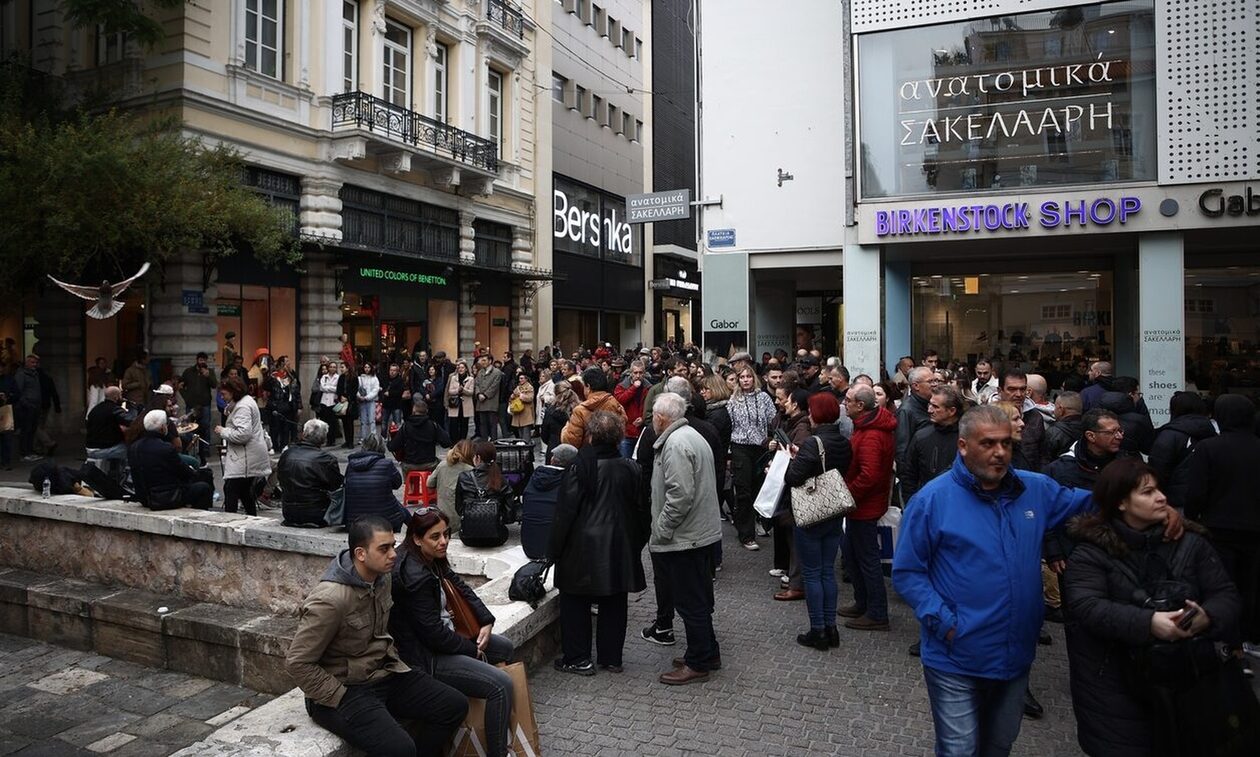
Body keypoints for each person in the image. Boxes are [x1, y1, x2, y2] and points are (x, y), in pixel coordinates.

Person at [893, 405, 1183, 757]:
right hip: (955, 656)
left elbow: (1093, 504)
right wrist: (943, 621)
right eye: (988, 443)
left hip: (1015, 654)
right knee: (959, 749)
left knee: (999, 744)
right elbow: (908, 572)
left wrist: (1157, 507)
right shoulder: (932, 500)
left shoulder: (1035, 490)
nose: (1000, 453)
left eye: (1006, 444)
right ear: (964, 446)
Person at [1063, 459, 1249, 757]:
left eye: (1159, 489)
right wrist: (1148, 623)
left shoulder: (1191, 543)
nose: (1162, 497)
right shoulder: (1091, 552)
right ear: (1121, 502)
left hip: (1192, 683)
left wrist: (1207, 617)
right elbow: (1087, 606)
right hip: (1116, 686)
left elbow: (1225, 594)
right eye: (1147, 492)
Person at [286, 516, 467, 757]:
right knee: (400, 748)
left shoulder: (382, 579)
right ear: (360, 554)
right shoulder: (330, 599)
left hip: (383, 674)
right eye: (384, 548)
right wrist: (339, 696)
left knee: (454, 705)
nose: (393, 554)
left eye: (393, 545)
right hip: (343, 689)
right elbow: (298, 663)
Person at [390, 509, 516, 757]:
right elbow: (433, 635)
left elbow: (459, 587)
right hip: (426, 656)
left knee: (504, 648)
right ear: (417, 539)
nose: (443, 541)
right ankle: (497, 752)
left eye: (446, 534)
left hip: (446, 638)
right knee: (501, 686)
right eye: (435, 536)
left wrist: (486, 619)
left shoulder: (431, 558)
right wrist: (471, 650)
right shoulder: (413, 574)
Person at [549, 412, 646, 675]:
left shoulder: (580, 467)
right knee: (615, 601)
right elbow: (641, 511)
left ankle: (578, 658)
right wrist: (635, 544)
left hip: (581, 546)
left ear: (590, 435)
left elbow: (565, 512)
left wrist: (553, 549)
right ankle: (611, 657)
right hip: (619, 544)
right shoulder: (630, 468)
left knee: (575, 602)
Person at [1170, 393, 1260, 657]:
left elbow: (1197, 491)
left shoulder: (1210, 447)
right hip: (1254, 528)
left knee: (1221, 582)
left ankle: (1230, 640)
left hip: (1217, 526)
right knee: (1251, 582)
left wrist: (1194, 517)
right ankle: (1250, 636)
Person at [648, 393, 721, 685]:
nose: (651, 420)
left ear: (661, 417)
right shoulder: (689, 435)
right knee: (699, 599)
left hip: (686, 537)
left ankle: (698, 661)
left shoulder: (676, 444)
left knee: (691, 601)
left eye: (653, 415)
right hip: (697, 533)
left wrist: (662, 528)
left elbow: (680, 495)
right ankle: (706, 651)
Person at [782, 393, 854, 649]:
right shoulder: (844, 441)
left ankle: (818, 630)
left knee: (812, 573)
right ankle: (831, 628)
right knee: (826, 571)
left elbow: (793, 477)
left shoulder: (813, 442)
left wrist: (794, 459)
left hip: (812, 513)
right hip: (834, 510)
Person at [838, 385, 896, 632]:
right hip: (860, 506)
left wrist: (847, 495)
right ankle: (863, 603)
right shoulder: (865, 427)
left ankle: (877, 613)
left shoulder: (872, 434)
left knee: (867, 560)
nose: (844, 403)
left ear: (860, 406)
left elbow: (869, 475)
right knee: (853, 556)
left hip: (864, 507)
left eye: (848, 400)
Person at [727, 365, 776, 551]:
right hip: (741, 448)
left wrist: (773, 439)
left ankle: (756, 522)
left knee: (759, 489)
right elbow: (740, 427)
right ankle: (746, 535)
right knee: (744, 492)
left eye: (749, 376)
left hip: (761, 449)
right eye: (742, 377)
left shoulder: (763, 397)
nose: (746, 380)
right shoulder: (734, 400)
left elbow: (773, 419)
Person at [128, 409, 213, 510]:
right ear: (163, 428)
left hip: (144, 497)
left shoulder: (134, 447)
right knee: (204, 485)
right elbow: (183, 472)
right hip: (164, 497)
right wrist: (194, 473)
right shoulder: (165, 448)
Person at [214, 377, 271, 516]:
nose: (222, 397)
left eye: (224, 394)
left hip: (244, 457)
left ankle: (230, 520)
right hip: (247, 455)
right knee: (244, 491)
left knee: (232, 489)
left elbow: (243, 434)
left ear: (233, 392)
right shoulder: (244, 402)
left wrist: (223, 431)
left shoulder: (243, 406)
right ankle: (251, 517)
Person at [900, 385, 964, 503]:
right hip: (928, 503)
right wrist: (912, 503)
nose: (929, 410)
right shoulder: (922, 436)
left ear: (952, 411)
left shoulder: (968, 438)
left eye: (935, 407)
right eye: (929, 404)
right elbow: (909, 474)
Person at [277, 419, 344, 527]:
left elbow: (280, 479)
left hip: (289, 512)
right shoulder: (326, 459)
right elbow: (336, 486)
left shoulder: (287, 454)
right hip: (317, 513)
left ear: (304, 434)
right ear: (323, 439)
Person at [520, 443, 578, 560]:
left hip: (529, 547)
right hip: (555, 551)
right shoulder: (570, 482)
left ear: (552, 460)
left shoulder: (535, 477)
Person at [1147, 391, 1215, 487]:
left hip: (1175, 495)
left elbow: (1158, 469)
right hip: (1207, 491)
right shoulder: (1211, 431)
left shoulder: (1169, 435)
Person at [454, 440, 514, 547]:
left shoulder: (464, 477)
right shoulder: (501, 479)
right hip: (497, 537)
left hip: (467, 537)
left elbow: (458, 507)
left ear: (477, 458)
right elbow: (509, 512)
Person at [343, 434, 408, 531]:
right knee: (398, 507)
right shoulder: (386, 464)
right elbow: (397, 484)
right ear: (381, 447)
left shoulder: (351, 465)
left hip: (354, 521)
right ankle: (416, 529)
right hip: (384, 520)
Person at [895, 367, 936, 496]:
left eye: (935, 381)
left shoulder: (928, 405)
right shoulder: (907, 411)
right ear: (916, 386)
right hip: (916, 480)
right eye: (930, 381)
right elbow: (902, 450)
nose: (935, 384)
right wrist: (908, 485)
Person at [561, 367, 626, 449]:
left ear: (588, 386)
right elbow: (623, 426)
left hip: (587, 457)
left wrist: (566, 428)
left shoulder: (580, 410)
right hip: (612, 454)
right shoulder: (615, 404)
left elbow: (571, 442)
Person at [388, 398, 451, 473]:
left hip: (409, 464)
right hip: (429, 463)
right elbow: (447, 442)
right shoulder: (433, 425)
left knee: (405, 469)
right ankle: (433, 483)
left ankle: (407, 484)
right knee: (441, 465)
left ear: (413, 411)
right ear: (427, 411)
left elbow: (393, 446)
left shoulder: (406, 426)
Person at [428, 439, 476, 533]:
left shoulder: (442, 465)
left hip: (442, 518)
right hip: (461, 521)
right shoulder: (470, 471)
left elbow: (429, 484)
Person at [85, 386, 131, 475]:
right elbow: (129, 420)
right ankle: (127, 478)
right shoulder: (114, 409)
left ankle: (115, 471)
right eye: (120, 395)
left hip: (90, 448)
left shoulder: (96, 409)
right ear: (116, 397)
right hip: (105, 449)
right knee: (132, 450)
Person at [613, 359, 652, 458]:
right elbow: (620, 400)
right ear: (631, 373)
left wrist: (643, 419)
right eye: (635, 373)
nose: (638, 376)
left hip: (642, 432)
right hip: (627, 432)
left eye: (640, 373)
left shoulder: (649, 388)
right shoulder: (621, 386)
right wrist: (633, 388)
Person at [180, 352, 218, 441]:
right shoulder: (188, 371)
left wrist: (208, 376)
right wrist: (186, 397)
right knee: (189, 426)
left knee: (205, 426)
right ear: (197, 360)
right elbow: (180, 385)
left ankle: (205, 450)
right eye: (201, 360)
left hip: (205, 404)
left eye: (204, 360)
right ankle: (190, 447)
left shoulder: (210, 371)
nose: (202, 362)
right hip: (191, 404)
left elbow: (214, 385)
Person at [1042, 390, 1083, 463]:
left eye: (1055, 407)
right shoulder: (1088, 429)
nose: (1053, 411)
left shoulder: (1053, 432)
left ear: (1061, 410)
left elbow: (1045, 460)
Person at [541, 381, 578, 460]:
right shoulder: (578, 410)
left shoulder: (550, 411)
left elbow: (544, 433)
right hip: (574, 449)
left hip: (554, 449)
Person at [473, 356, 503, 440]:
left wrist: (485, 395)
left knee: (492, 423)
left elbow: (494, 386)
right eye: (482, 360)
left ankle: (493, 441)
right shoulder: (480, 372)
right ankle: (484, 441)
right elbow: (476, 384)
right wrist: (478, 393)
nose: (482, 362)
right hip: (480, 401)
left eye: (484, 360)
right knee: (483, 423)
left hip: (491, 401)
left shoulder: (497, 372)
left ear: (490, 361)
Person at [446, 360, 475, 441]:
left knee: (464, 424)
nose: (461, 369)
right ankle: (454, 442)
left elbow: (471, 392)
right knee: (453, 424)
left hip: (465, 404)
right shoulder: (453, 378)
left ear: (466, 369)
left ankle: (462, 441)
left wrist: (463, 390)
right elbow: (450, 391)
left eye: (463, 367)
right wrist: (457, 390)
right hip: (455, 403)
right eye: (459, 368)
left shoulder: (471, 379)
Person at [316, 362, 341, 447]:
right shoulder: (324, 376)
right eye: (331, 367)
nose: (332, 368)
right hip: (324, 401)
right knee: (324, 422)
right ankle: (326, 439)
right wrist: (330, 388)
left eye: (334, 367)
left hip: (333, 402)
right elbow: (322, 387)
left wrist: (328, 388)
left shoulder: (338, 377)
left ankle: (332, 440)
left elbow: (337, 389)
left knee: (332, 422)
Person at [336, 361, 359, 449]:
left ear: (347, 368)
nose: (341, 369)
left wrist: (348, 398)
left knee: (350, 423)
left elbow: (354, 390)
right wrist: (341, 396)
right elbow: (338, 389)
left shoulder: (353, 377)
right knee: (344, 422)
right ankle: (346, 440)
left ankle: (351, 442)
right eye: (341, 367)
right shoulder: (341, 377)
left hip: (350, 403)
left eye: (342, 367)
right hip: (342, 402)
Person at [356, 361, 381, 443]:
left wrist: (367, 397)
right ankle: (363, 437)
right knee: (363, 421)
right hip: (362, 401)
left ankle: (373, 437)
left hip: (371, 401)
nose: (367, 369)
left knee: (371, 420)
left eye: (368, 367)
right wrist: (359, 396)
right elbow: (356, 388)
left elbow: (375, 390)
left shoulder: (374, 378)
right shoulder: (360, 378)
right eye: (365, 367)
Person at [507, 372, 535, 439]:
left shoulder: (529, 387)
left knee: (526, 433)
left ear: (526, 379)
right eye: (519, 378)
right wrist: (512, 397)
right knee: (520, 434)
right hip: (517, 412)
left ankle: (527, 447)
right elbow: (510, 399)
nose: (520, 380)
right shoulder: (517, 387)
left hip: (526, 413)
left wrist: (521, 396)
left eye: (522, 378)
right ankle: (521, 448)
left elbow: (530, 398)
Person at [382, 363, 407, 431]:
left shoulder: (400, 380)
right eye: (391, 370)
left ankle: (397, 439)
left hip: (396, 405)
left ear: (397, 371)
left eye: (394, 370)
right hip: (386, 404)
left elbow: (400, 391)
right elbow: (382, 389)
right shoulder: (385, 379)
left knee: (397, 423)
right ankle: (384, 438)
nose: (392, 372)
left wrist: (390, 393)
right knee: (384, 423)